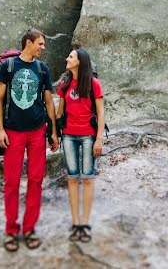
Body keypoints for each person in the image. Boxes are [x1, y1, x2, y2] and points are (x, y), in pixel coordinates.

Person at [0, 28, 59, 251]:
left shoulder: (43, 69)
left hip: (37, 131)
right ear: (29, 42)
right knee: (11, 183)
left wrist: (53, 132)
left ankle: (29, 229)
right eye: (40, 44)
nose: (43, 48)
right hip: (13, 132)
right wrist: (0, 130)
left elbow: (49, 102)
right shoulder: (8, 67)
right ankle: (11, 230)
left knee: (36, 181)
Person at [56, 47, 104, 243]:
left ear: (80, 62)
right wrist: (54, 135)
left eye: (71, 57)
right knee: (73, 178)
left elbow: (101, 113)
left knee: (88, 178)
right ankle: (76, 223)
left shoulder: (94, 84)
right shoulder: (65, 84)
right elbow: (59, 114)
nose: (67, 59)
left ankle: (85, 223)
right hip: (68, 136)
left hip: (88, 136)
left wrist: (99, 139)